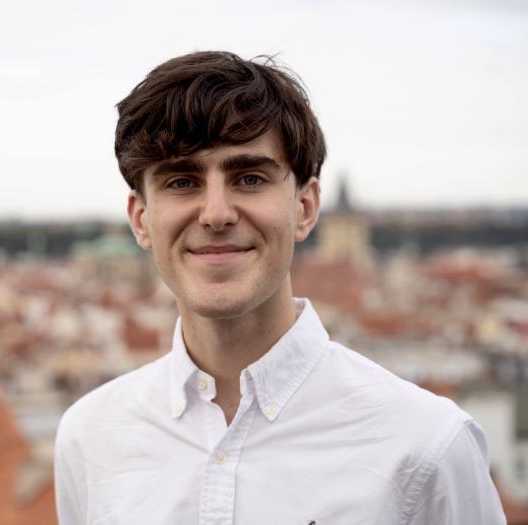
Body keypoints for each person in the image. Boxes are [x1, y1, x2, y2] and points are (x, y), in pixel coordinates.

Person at [54, 51, 506, 524]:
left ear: (306, 208)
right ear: (141, 220)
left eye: (249, 178)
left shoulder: (426, 446)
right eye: (181, 181)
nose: (216, 214)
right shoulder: (89, 440)